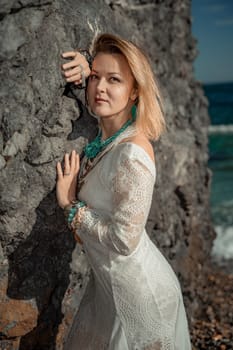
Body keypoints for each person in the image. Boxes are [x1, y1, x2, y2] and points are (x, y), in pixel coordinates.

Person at [56, 33, 191, 350]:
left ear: (134, 92)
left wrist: (69, 204)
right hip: (108, 290)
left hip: (141, 298)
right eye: (95, 78)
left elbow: (123, 241)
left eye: (114, 80)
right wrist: (85, 60)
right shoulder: (108, 137)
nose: (100, 88)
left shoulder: (132, 154)